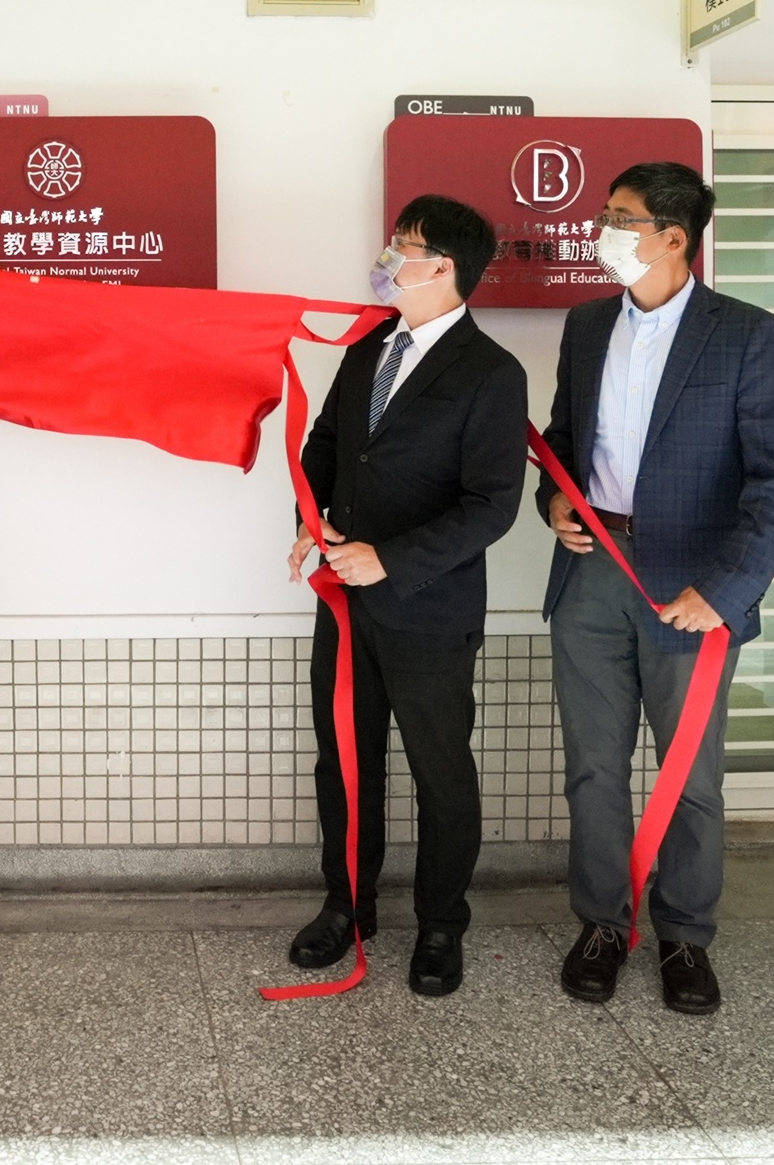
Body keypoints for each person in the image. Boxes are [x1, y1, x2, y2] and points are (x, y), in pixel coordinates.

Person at [539, 162, 774, 1016]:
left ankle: (685, 936)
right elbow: (564, 438)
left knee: (690, 777)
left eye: (620, 218)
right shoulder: (587, 325)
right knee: (593, 768)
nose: (602, 231)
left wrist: (725, 591)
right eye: (605, 214)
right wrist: (555, 501)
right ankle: (602, 924)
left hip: (691, 591)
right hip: (592, 574)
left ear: (674, 238)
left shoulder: (746, 333)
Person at [285, 194, 530, 997]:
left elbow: (491, 505)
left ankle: (440, 925)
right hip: (344, 606)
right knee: (343, 764)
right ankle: (346, 908)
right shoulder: (368, 347)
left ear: (444, 267)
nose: (388, 257)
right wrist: (309, 518)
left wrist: (388, 560)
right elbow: (326, 445)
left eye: (404, 246)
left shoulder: (491, 372)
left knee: (439, 771)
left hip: (429, 610)